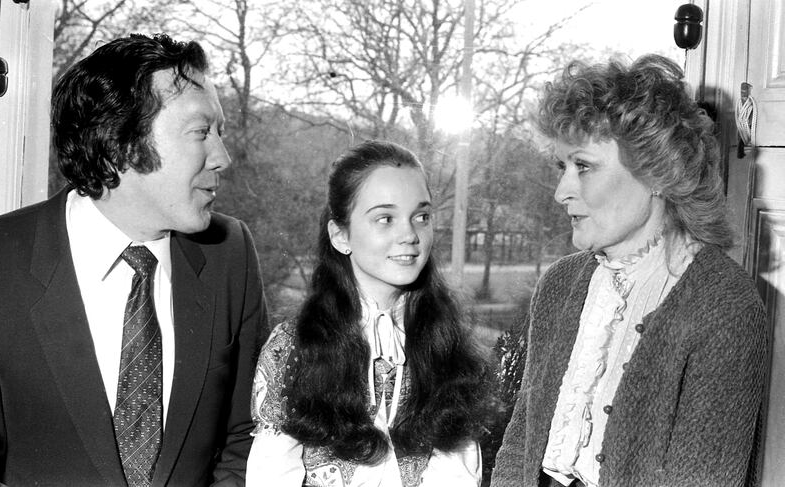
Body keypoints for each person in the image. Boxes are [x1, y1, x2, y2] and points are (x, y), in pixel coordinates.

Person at [0, 34, 269, 486]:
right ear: (120, 145)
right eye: (201, 132)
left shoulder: (229, 253)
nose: (223, 157)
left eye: (220, 132)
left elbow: (246, 434)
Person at [491, 54, 767, 487]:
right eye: (560, 167)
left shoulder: (725, 304)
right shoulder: (560, 284)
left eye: (583, 166)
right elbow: (522, 438)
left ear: (657, 171)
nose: (562, 190)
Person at [245, 140, 489, 486]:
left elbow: (458, 473)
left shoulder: (445, 341)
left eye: (421, 216)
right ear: (340, 234)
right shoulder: (294, 346)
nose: (409, 235)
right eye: (385, 219)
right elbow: (271, 476)